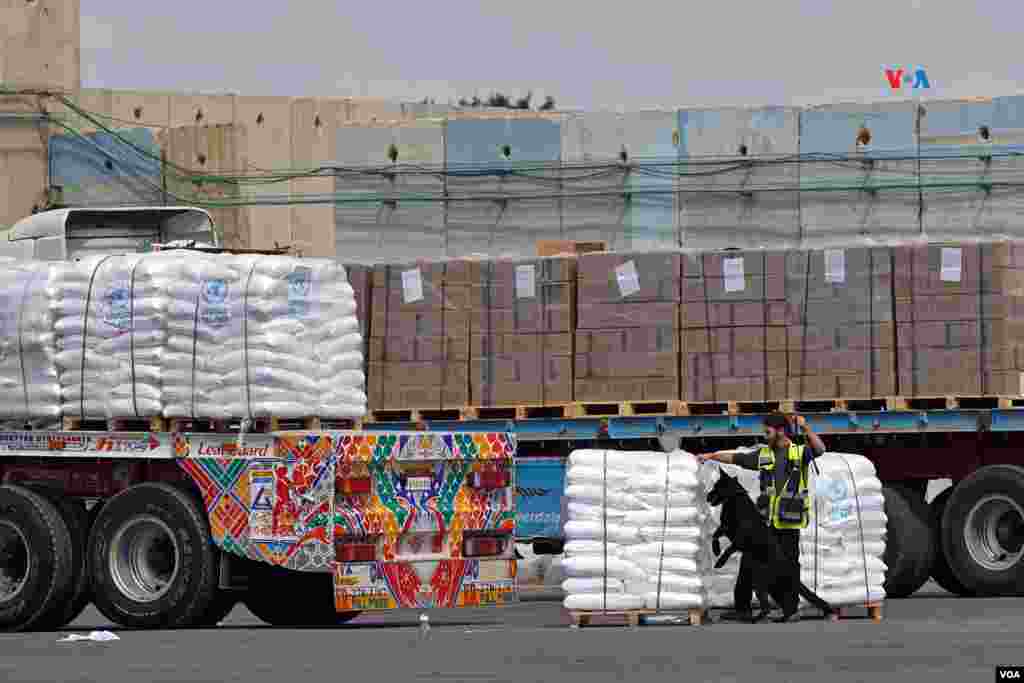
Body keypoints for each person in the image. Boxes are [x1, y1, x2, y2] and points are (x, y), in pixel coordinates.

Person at [696, 413, 826, 623]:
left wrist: (806, 427)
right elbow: (738, 459)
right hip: (767, 522)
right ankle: (743, 608)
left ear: (781, 431)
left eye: (768, 432)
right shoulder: (765, 454)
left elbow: (820, 449)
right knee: (749, 561)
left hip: (789, 521)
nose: (765, 436)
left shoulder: (798, 452)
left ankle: (791, 609)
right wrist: (711, 455)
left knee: (788, 567)